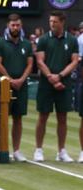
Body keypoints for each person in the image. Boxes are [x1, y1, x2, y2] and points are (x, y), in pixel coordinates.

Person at [33, 11, 80, 162]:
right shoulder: (44, 40)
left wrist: (59, 76)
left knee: (63, 118)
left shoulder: (72, 40)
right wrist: (51, 78)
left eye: (55, 21)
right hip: (46, 84)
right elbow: (40, 61)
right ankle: (38, 149)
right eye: (50, 21)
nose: (52, 24)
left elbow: (74, 61)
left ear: (62, 22)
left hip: (64, 83)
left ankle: (61, 151)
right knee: (43, 116)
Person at [0, 14, 34, 162]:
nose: (15, 28)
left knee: (18, 118)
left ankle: (16, 150)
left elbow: (30, 64)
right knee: (0, 117)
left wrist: (21, 80)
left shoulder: (27, 44)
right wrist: (10, 80)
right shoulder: (0, 43)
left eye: (17, 25)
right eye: (13, 25)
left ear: (21, 26)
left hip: (21, 86)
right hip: (4, 86)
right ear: (8, 26)